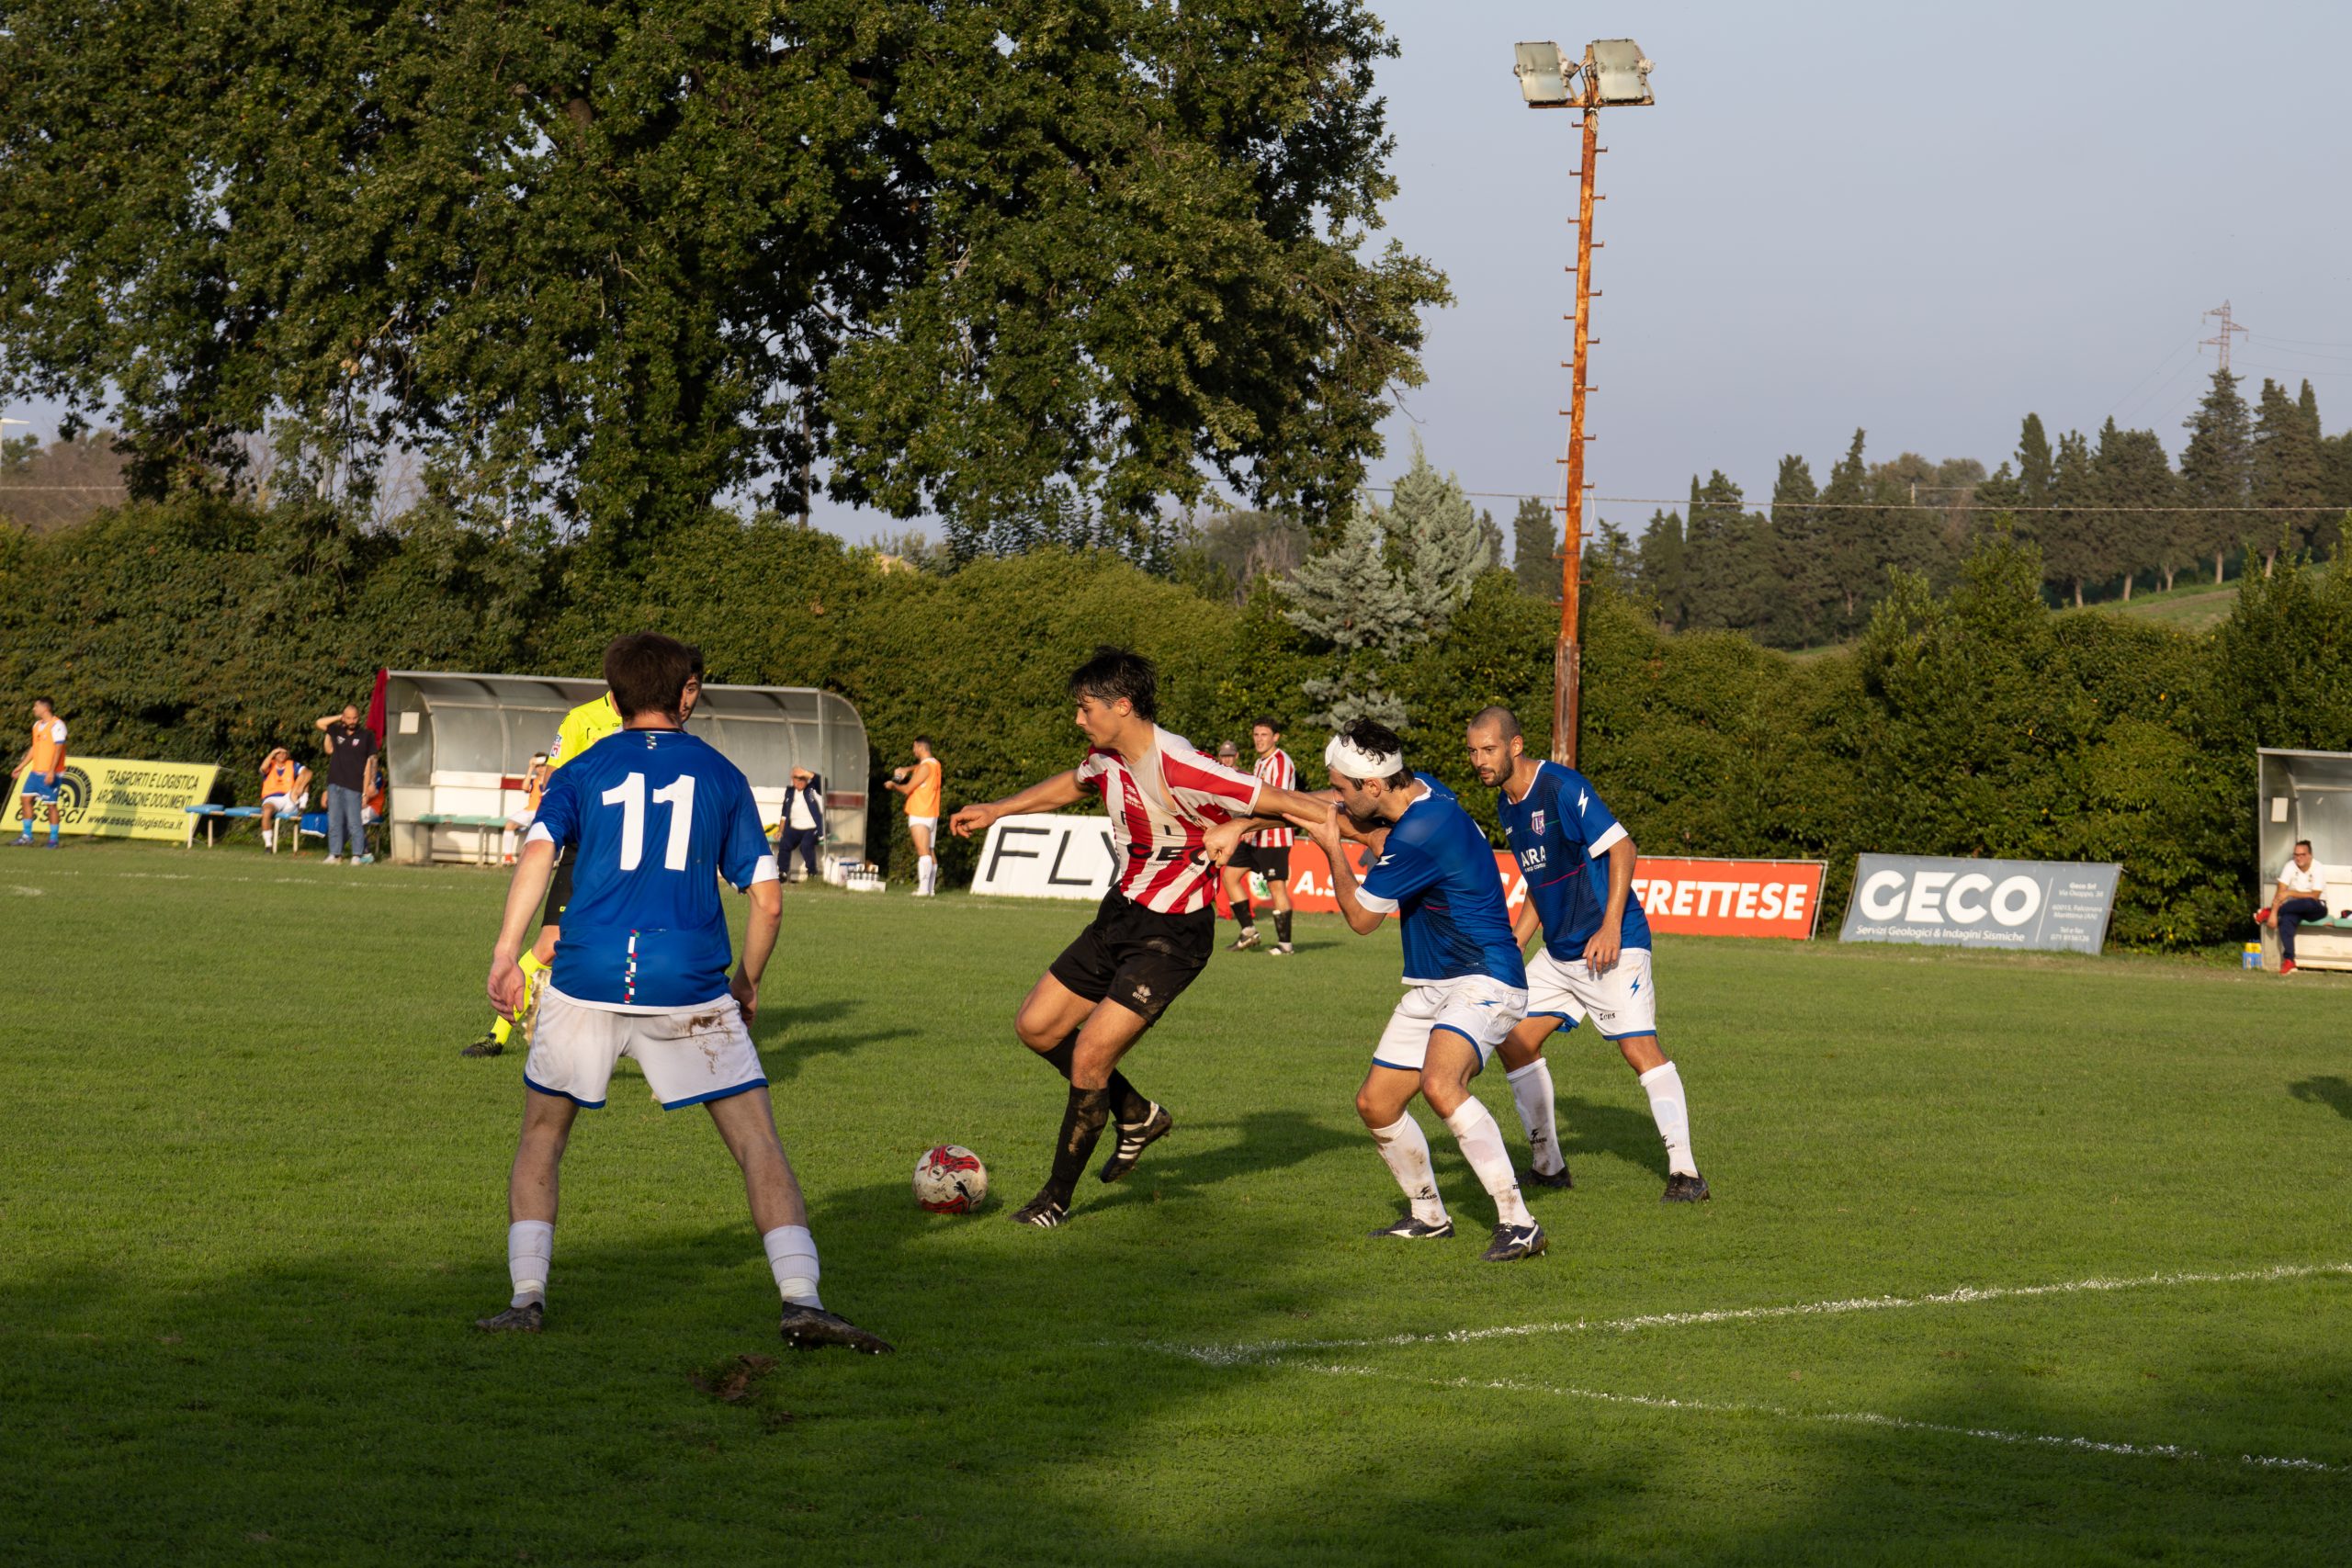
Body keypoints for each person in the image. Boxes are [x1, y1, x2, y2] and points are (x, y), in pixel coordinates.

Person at [473, 632, 888, 1353]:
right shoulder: (722, 775)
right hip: (690, 981)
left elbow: (539, 853)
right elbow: (768, 900)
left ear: (612, 695)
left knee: (543, 1135)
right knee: (757, 1141)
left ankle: (526, 1297)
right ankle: (802, 1301)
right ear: (687, 693)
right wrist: (747, 984)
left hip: (586, 974)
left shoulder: (582, 766)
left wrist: (508, 951)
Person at [948, 648, 1328, 1228]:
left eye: (1086, 708)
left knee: (1091, 1054)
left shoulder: (1183, 766)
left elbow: (1302, 805)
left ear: (1122, 706)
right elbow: (1072, 785)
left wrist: (1241, 822)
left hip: (1174, 935)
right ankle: (1137, 1114)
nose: (1079, 719)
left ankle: (1055, 1198)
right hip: (1120, 915)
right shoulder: (1106, 754)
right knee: (1036, 1026)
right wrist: (1000, 808)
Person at [1269, 718, 1545, 1262]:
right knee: (1376, 1104)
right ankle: (1430, 1216)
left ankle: (1520, 1222)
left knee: (1442, 1086)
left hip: (1485, 977)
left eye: (1345, 791)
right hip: (1434, 983)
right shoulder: (1424, 792)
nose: (1339, 802)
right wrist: (1249, 820)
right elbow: (1331, 807)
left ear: (1373, 787)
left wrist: (1330, 847)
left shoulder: (1422, 830)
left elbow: (1361, 919)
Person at [1467, 707, 1708, 1202]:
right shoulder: (1507, 808)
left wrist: (1612, 925)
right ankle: (1549, 1167)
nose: (1479, 760)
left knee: (1638, 1050)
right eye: (1472, 751)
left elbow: (1623, 848)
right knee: (1514, 1040)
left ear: (1515, 745)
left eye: (1488, 749)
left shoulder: (1560, 787)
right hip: (1560, 955)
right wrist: (1516, 942)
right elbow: (1539, 882)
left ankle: (1686, 1175)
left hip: (1611, 946)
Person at [461, 661, 700, 1059]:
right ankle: (498, 1032)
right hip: (588, 848)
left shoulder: (663, 729)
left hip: (641, 855)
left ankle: (664, 1044)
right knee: (551, 943)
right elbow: (553, 776)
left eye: (694, 689)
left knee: (655, 943)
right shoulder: (582, 719)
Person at [1223, 716, 1300, 956]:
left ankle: (1285, 946)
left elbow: (1274, 801)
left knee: (1276, 887)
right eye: (1256, 735)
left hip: (1274, 835)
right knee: (1229, 877)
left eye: (1264, 734)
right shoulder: (1260, 762)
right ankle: (1249, 932)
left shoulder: (1281, 762)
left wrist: (1246, 821)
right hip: (1255, 835)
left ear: (1275, 737)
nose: (1259, 739)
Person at [312, 704, 380, 864]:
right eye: (348, 718)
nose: (351, 721)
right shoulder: (337, 731)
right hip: (335, 783)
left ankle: (357, 855)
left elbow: (373, 759)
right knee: (334, 821)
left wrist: (371, 783)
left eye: (354, 717)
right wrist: (338, 717)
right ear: (344, 717)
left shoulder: (366, 735)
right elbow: (320, 723)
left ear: (359, 717)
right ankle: (334, 854)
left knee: (354, 822)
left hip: (354, 785)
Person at [2258, 839, 2330, 977]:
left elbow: (2315, 895)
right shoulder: (2290, 866)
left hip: (2316, 907)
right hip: (2294, 908)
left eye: (2302, 855)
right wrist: (2273, 913)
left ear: (2310, 855)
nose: (2298, 858)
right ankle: (2289, 960)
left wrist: (2289, 894)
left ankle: (2266, 911)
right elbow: (2281, 889)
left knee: (2307, 902)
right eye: (2296, 855)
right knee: (2286, 920)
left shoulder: (2318, 867)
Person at [886, 738, 944, 896]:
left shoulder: (925, 767)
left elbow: (907, 789)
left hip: (920, 812)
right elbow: (921, 767)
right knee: (930, 851)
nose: (913, 751)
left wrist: (894, 785)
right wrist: (907, 769)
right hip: (931, 812)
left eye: (914, 747)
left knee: (923, 852)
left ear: (920, 747)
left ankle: (923, 890)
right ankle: (930, 889)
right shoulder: (935, 764)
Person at [12, 698, 67, 848]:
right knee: (25, 800)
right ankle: (27, 836)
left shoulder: (57, 725)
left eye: (36, 706)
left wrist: (51, 771)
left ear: (45, 708)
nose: (33, 709)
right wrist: (22, 766)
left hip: (51, 774)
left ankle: (53, 840)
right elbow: (34, 749)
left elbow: (58, 749)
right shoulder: (37, 725)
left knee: (51, 805)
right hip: (35, 772)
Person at [257, 747, 312, 854]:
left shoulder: (292, 764)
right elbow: (263, 768)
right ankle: (268, 845)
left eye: (284, 753)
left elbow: (308, 773)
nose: (282, 755)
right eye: (279, 753)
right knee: (267, 811)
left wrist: (300, 788)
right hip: (272, 798)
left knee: (305, 777)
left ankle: (302, 805)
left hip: (290, 797)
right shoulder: (270, 764)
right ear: (274, 755)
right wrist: (272, 751)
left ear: (287, 755)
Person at [502, 752, 550, 864]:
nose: (541, 768)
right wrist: (530, 768)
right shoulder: (534, 780)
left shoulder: (550, 779)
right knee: (509, 824)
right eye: (538, 766)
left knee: (540, 833)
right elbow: (524, 787)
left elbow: (544, 786)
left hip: (542, 812)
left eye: (543, 765)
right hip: (529, 811)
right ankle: (508, 858)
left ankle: (544, 861)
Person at [777, 767, 825, 882]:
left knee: (806, 845)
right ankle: (782, 872)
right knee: (784, 842)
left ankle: (812, 873)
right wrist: (780, 831)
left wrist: (808, 773)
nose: (800, 781)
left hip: (812, 827)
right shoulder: (789, 792)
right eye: (797, 779)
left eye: (803, 779)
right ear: (792, 779)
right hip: (795, 828)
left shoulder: (811, 789)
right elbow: (784, 815)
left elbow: (823, 784)